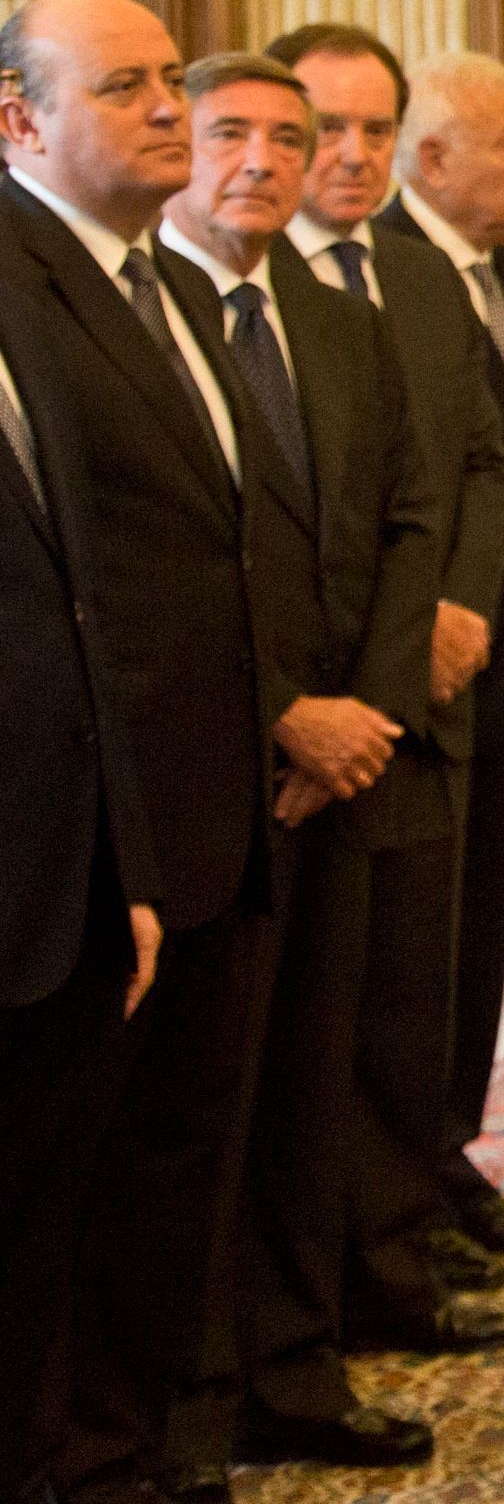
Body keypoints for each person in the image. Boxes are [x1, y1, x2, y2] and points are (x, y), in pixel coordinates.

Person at [156, 53, 471, 1469]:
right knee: (197, 1109)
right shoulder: (132, 314)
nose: (269, 161)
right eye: (234, 133)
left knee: (317, 1087)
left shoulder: (337, 322)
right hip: (213, 778)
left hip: (349, 770)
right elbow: (149, 562)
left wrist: (362, 713)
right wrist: (284, 710)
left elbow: (413, 519)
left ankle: (298, 1365)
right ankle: (189, 1390)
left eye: (293, 138)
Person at [3, 0, 269, 1504]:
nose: (172, 106)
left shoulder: (151, 273)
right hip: (90, 827)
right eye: (127, 85)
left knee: (169, 1169)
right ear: (19, 120)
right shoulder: (22, 272)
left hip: (205, 810)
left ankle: (130, 1442)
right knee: (70, 1188)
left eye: (177, 76)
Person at [263, 22, 504, 1335]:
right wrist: (370, 660)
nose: (352, 152)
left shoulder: (420, 284)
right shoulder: (249, 286)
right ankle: (317, 1292)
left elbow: (477, 464)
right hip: (315, 717)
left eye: (374, 128)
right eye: (328, 127)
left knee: (409, 1005)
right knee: (314, 1031)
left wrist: (458, 603)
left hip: (434, 692)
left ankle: (393, 1260)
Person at [370, 48, 504, 1264]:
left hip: (503, 664)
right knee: (420, 959)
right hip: (432, 675)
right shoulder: (394, 276)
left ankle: (449, 1162)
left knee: (475, 934)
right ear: (433, 159)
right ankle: (410, 1186)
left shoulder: (489, 274)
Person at [0, 94, 162, 1504]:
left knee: (43, 1249)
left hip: (62, 880)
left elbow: (81, 604)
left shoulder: (35, 308)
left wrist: (127, 856)